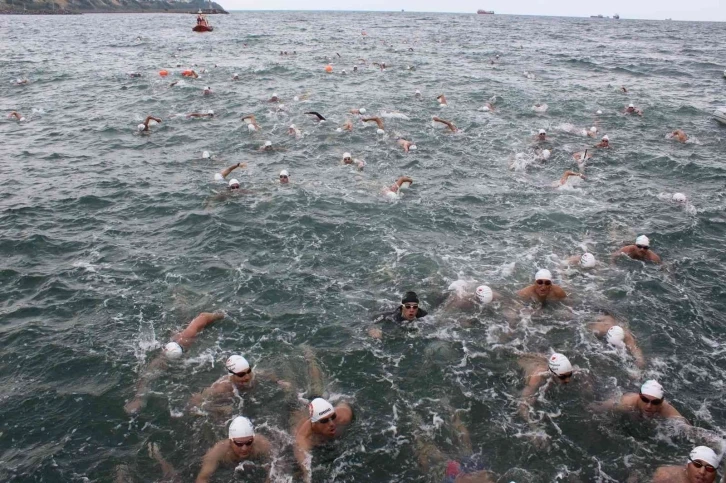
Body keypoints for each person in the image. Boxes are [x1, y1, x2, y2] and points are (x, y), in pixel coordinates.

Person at [124, 312, 225, 414]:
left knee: (185, 316)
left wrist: (218, 316)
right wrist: (139, 399)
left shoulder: (187, 337)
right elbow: (146, 378)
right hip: (175, 347)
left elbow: (203, 316)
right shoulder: (164, 358)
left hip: (186, 328)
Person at [189, 355, 293, 415]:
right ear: (231, 376)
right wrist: (219, 409)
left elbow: (268, 374)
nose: (247, 377)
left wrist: (279, 382)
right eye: (241, 375)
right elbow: (195, 401)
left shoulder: (253, 375)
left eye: (248, 371)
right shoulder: (221, 388)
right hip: (227, 403)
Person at [414, 411, 498, 483]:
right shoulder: (475, 468)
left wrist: (424, 464)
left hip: (442, 471)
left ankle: (414, 425)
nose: (482, 472)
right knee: (464, 435)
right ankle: (450, 410)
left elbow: (429, 472)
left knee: (430, 454)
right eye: (484, 472)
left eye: (481, 476)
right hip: (458, 464)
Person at [292, 397, 354, 483]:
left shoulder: (344, 416)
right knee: (293, 405)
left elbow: (345, 401)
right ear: (314, 423)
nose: (332, 423)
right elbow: (305, 466)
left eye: (333, 417)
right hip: (299, 417)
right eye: (324, 421)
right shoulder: (304, 436)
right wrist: (306, 474)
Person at [195, 416, 272, 483]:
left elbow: (275, 470)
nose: (244, 448)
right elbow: (202, 478)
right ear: (231, 441)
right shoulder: (218, 451)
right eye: (239, 444)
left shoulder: (263, 445)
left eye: (249, 442)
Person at [518, 352, 578, 421]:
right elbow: (522, 406)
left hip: (539, 358)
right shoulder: (537, 378)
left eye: (569, 375)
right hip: (521, 363)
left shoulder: (565, 368)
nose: (567, 379)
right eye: (563, 377)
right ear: (554, 374)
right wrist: (534, 426)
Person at [594, 380, 687, 421]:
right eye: (645, 400)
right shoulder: (626, 404)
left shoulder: (665, 409)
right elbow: (595, 408)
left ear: (661, 402)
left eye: (655, 402)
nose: (649, 406)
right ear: (640, 396)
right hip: (622, 388)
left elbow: (687, 428)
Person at [651, 446, 721, 483]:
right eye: (697, 464)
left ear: (714, 475)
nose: (702, 472)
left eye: (709, 468)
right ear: (687, 465)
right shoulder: (666, 476)